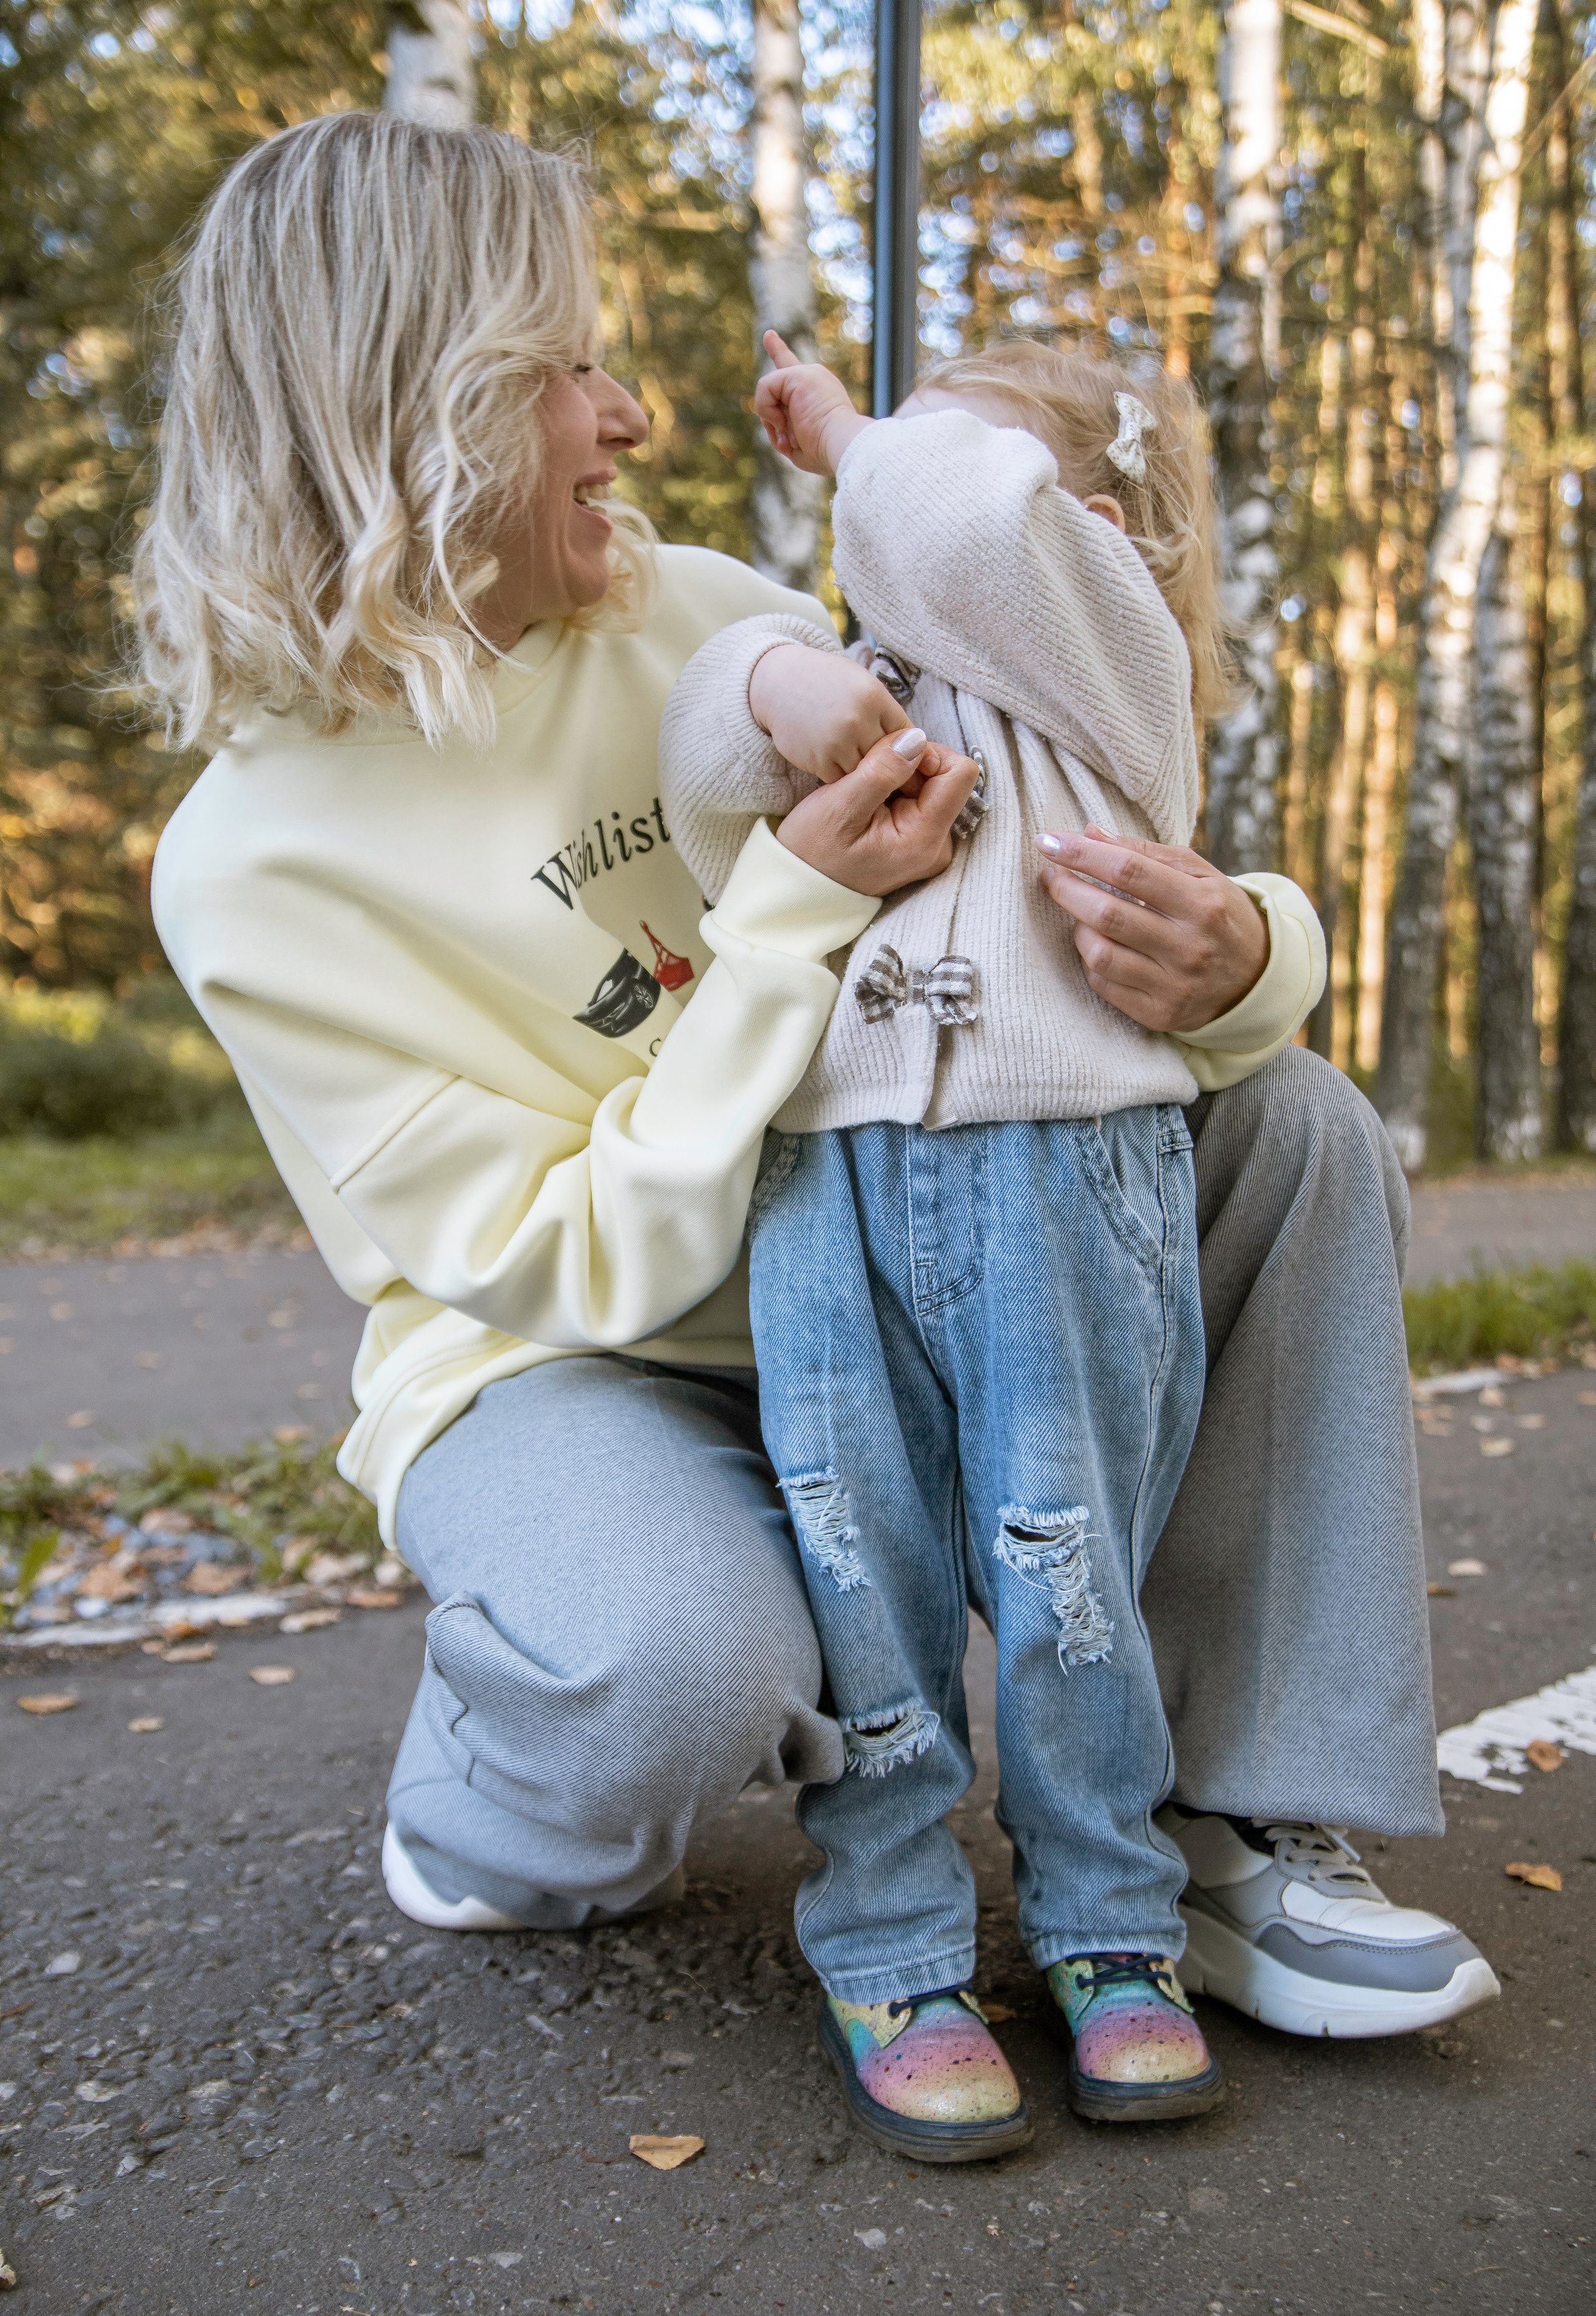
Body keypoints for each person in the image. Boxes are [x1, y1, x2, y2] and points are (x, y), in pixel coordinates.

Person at [138, 114, 1494, 2121]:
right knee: (666, 1673)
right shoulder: (248, 863)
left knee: (1287, 1123)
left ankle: (1235, 1822)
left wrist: (1248, 957)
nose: (632, 415)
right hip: (591, 1359)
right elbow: (561, 1256)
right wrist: (787, 909)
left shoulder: (691, 605)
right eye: (564, 374)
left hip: (907, 1245)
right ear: (403, 417)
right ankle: (505, 1783)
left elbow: (1053, 831)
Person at [659, 337, 1328, 2156]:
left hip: (1061, 1179)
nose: (886, 487)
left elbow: (961, 524)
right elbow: (700, 737)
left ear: (1090, 528)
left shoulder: (1112, 673)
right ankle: (891, 1945)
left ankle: (1110, 1930)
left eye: (943, 459)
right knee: (854, 1571)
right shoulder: (881, 673)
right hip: (828, 1185)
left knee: (1066, 1566)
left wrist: (861, 437)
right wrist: (791, 673)